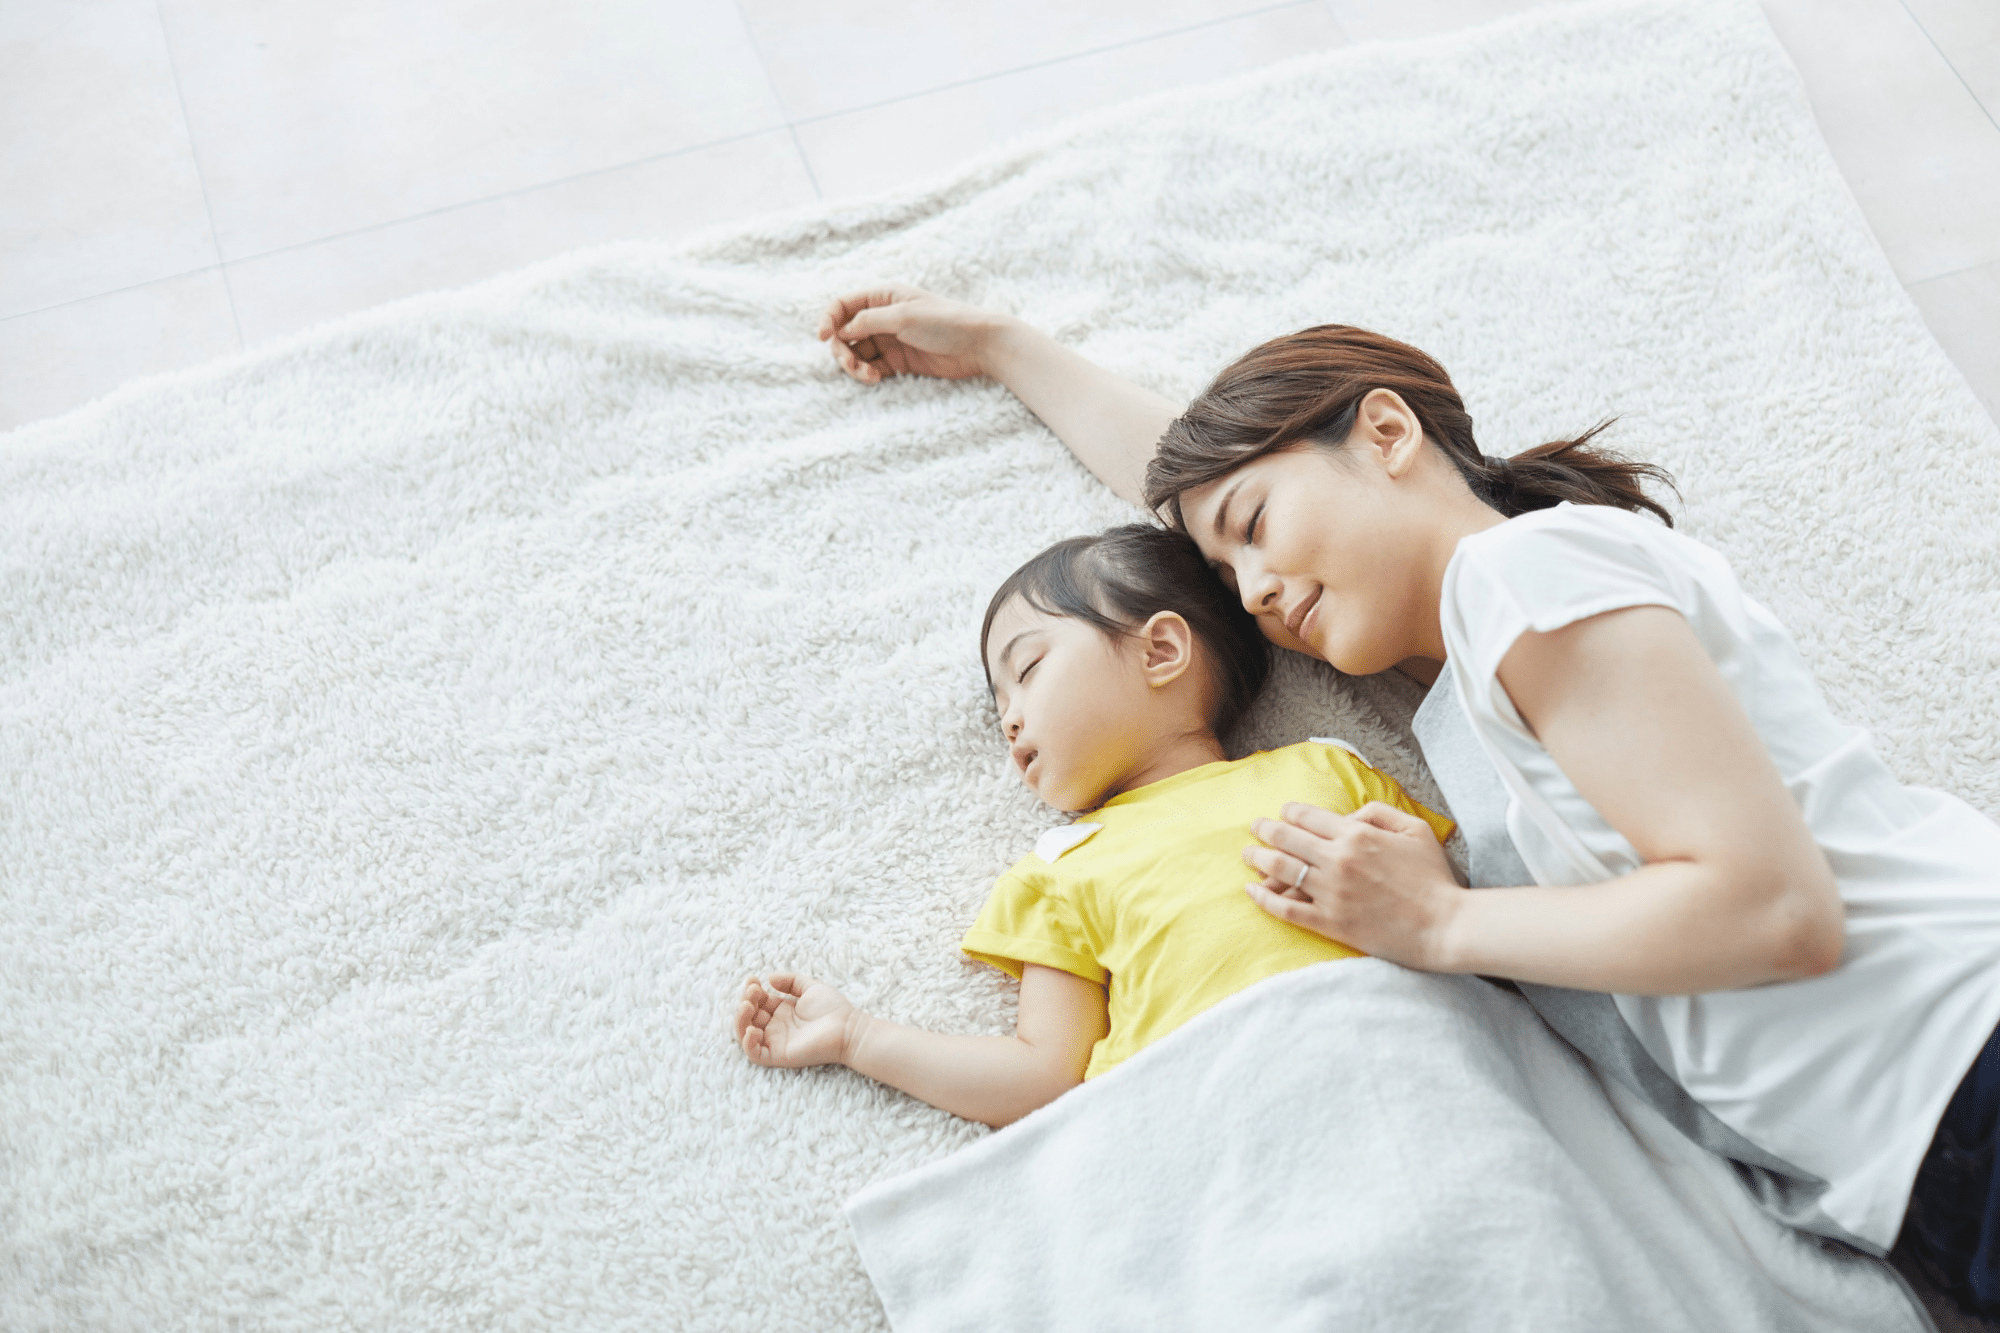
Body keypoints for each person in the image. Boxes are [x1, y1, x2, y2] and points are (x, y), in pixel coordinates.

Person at [813, 284, 2000, 1317]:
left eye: (1256, 531)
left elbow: (1773, 911)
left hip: (1956, 1056)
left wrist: (1436, 922)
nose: (1255, 593)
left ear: (1387, 432)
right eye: (1229, 578)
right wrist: (1000, 347)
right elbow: (1202, 495)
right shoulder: (1468, 675)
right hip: (1905, 1174)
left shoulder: (1524, 572)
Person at [734, 524, 1451, 1127]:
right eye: (999, 706)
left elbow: (1449, 910)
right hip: (1215, 1112)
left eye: (1028, 670)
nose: (1009, 719)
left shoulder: (1325, 768)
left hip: (1404, 1066)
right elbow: (1043, 1076)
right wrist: (858, 1037)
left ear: (1160, 651)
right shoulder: (1065, 863)